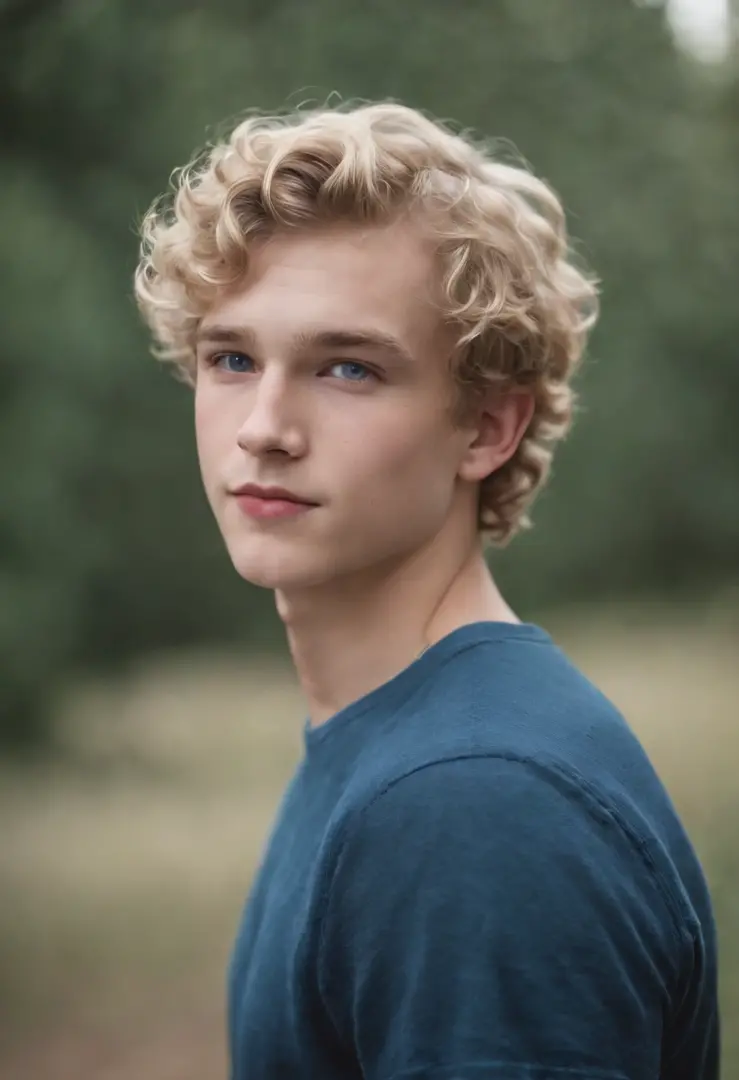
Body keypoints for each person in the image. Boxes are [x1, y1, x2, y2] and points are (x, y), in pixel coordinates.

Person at [134, 101, 719, 1079]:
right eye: (231, 359)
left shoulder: (475, 807)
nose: (263, 427)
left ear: (487, 428)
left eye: (348, 368)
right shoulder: (396, 741)